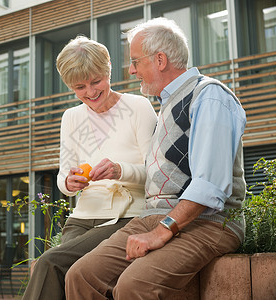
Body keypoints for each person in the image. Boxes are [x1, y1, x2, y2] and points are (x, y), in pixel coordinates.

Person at [65, 17, 246, 300]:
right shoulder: (166, 105)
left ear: (160, 60)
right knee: (81, 276)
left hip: (209, 222)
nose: (131, 69)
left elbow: (210, 185)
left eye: (136, 61)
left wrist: (163, 230)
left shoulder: (208, 96)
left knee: (134, 285)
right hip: (152, 216)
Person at [22, 36, 157, 300]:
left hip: (127, 216)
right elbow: (64, 175)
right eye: (79, 87)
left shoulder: (138, 107)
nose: (90, 92)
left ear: (108, 71)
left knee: (51, 263)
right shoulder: (71, 117)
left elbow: (157, 174)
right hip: (83, 217)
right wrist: (69, 183)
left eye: (96, 81)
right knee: (55, 268)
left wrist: (120, 170)